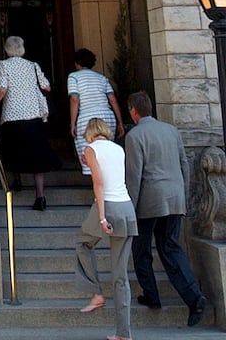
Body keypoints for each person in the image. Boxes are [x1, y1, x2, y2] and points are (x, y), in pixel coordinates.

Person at [124, 90, 208, 327]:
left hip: (149, 201)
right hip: (174, 197)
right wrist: (183, 193)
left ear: (133, 110)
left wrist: (130, 206)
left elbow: (135, 174)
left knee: (142, 250)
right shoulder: (171, 130)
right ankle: (194, 296)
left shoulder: (135, 135)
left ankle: (152, 295)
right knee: (171, 247)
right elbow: (184, 164)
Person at [0, 34, 60, 210]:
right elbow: (46, 86)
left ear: (7, 49)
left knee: (13, 149)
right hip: (34, 114)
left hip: (12, 114)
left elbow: (2, 89)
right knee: (37, 154)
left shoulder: (3, 65)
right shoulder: (33, 65)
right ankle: (40, 195)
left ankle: (17, 180)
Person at [75, 116, 137, 340]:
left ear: (90, 134)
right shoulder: (117, 149)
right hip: (126, 208)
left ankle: (95, 292)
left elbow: (99, 183)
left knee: (83, 243)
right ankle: (124, 333)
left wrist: (101, 217)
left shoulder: (91, 148)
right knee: (121, 277)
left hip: (107, 205)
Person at [68, 47, 125, 173]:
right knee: (106, 153)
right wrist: (120, 122)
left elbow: (74, 99)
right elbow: (113, 99)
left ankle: (95, 184)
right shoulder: (101, 77)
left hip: (87, 117)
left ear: (77, 63)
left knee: (89, 155)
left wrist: (72, 123)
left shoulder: (74, 77)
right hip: (107, 116)